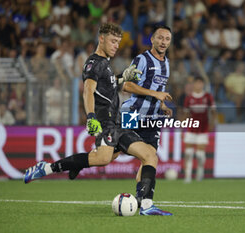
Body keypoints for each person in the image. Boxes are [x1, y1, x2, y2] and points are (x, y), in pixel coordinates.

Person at [23, 23, 172, 216]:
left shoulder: (106, 65)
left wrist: (121, 77)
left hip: (116, 124)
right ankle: (49, 167)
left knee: (149, 155)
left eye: (118, 42)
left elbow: (109, 86)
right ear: (101, 39)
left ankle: (146, 205)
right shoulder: (94, 62)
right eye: (112, 41)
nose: (116, 46)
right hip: (105, 123)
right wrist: (91, 116)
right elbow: (88, 90)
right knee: (102, 159)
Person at [120, 25, 173, 206]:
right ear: (152, 39)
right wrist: (154, 94)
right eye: (160, 38)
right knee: (107, 156)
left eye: (167, 39)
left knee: (149, 158)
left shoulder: (166, 63)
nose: (163, 42)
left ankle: (142, 200)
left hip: (152, 118)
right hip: (132, 114)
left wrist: (162, 103)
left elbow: (159, 90)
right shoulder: (142, 59)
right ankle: (61, 166)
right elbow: (127, 85)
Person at [183, 76, 216, 182]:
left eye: (200, 83)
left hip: (203, 128)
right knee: (188, 153)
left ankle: (199, 173)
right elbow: (185, 114)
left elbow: (213, 111)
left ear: (203, 85)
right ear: (194, 85)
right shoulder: (189, 98)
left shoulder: (208, 96)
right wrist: (183, 127)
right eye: (196, 83)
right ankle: (187, 176)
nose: (198, 85)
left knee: (200, 154)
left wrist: (212, 123)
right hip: (191, 128)